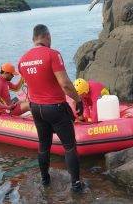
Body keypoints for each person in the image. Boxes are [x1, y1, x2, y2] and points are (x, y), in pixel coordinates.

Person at [18, 24, 85, 192]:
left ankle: (45, 179)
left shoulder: (22, 60)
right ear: (47, 36)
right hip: (54, 107)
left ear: (33, 39)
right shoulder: (53, 54)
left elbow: (31, 85)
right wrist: (78, 100)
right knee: (69, 146)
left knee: (43, 145)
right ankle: (76, 184)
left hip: (36, 108)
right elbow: (65, 84)